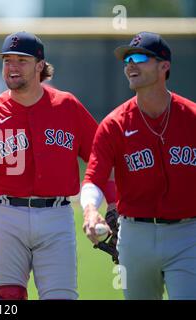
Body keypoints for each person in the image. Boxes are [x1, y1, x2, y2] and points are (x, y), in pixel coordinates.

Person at [0, 31, 116, 300]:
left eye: (21, 60)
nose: (12, 67)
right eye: (7, 60)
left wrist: (114, 202)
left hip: (57, 216)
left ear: (40, 65)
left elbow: (103, 160)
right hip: (7, 215)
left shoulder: (66, 105)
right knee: (7, 298)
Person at [80, 31, 196, 300]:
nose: (130, 64)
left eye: (140, 57)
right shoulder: (115, 124)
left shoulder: (191, 117)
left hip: (188, 234)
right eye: (127, 59)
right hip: (135, 235)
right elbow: (94, 179)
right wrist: (89, 211)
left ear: (164, 66)